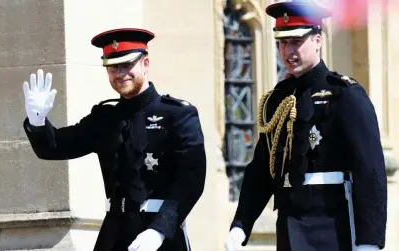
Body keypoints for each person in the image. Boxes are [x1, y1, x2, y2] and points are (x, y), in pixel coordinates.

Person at [22, 28, 206, 251]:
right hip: (114, 236)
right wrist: (38, 121)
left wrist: (160, 229)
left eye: (127, 65)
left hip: (160, 237)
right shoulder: (105, 118)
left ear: (145, 64)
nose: (120, 74)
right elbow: (55, 147)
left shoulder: (177, 115)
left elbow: (191, 179)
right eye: (113, 67)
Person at [224, 1, 387, 251]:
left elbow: (370, 172)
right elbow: (261, 171)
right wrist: (240, 226)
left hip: (332, 231)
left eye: (296, 42)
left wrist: (368, 243)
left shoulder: (344, 95)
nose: (288, 51)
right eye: (283, 42)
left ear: (318, 40)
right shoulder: (277, 99)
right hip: (289, 230)